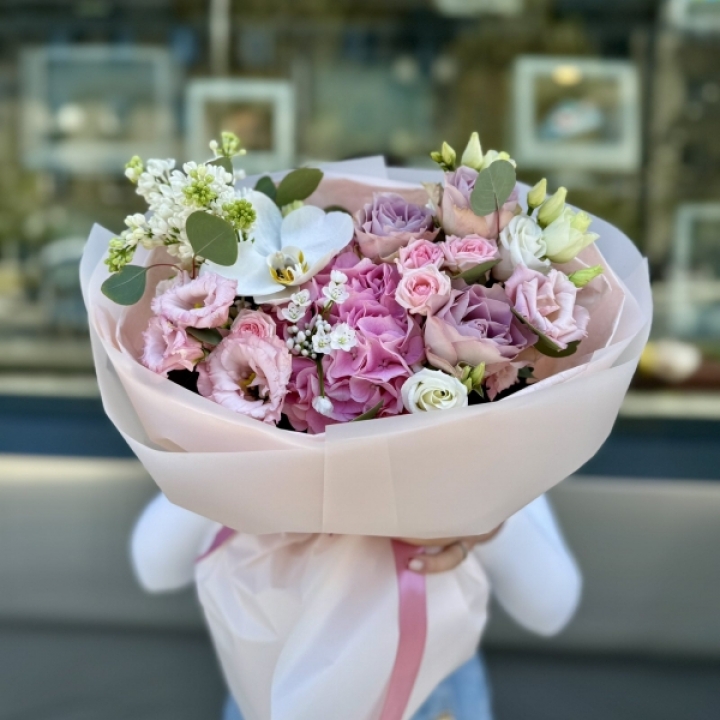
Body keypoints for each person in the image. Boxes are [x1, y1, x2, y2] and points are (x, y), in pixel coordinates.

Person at [132, 493, 581, 720]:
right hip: (272, 689)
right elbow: (154, 565)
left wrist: (489, 521)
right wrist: (239, 456)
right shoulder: (241, 434)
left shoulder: (480, 433)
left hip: (429, 696)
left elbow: (550, 609)